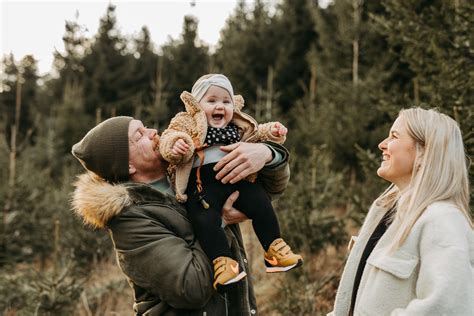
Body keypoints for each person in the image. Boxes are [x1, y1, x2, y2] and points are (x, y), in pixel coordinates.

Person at [71, 116, 291, 315]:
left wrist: (268, 154)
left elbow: (268, 191)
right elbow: (192, 288)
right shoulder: (131, 219)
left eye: (145, 126)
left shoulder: (188, 175)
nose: (153, 132)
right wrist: (218, 221)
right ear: (127, 165)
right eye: (139, 135)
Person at [159, 74, 302, 291]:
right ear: (196, 104)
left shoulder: (236, 124)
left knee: (261, 203)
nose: (220, 106)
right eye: (212, 100)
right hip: (202, 184)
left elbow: (256, 134)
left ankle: (274, 249)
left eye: (226, 101)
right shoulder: (186, 121)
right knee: (205, 218)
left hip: (236, 179)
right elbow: (169, 136)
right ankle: (223, 262)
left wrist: (272, 131)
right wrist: (176, 144)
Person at [329, 107, 473, 316]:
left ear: (424, 151)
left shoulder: (442, 220)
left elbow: (449, 307)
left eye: (394, 136)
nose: (382, 144)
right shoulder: (387, 213)